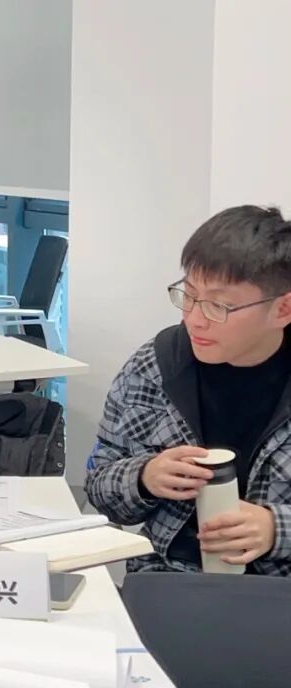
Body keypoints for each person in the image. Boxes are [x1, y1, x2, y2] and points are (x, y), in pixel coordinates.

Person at [86, 205, 291, 575]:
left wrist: (277, 529)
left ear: (283, 309)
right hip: (169, 573)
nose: (195, 319)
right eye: (189, 295)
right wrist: (144, 477)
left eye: (219, 306)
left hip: (278, 585)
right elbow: (99, 486)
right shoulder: (155, 365)